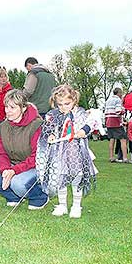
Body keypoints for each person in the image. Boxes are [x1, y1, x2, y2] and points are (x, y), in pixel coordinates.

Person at [36, 84, 96, 218]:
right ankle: (62, 205)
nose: (63, 107)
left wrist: (83, 131)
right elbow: (47, 128)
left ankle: (76, 205)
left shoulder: (80, 113)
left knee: (76, 178)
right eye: (60, 104)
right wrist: (50, 135)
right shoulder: (52, 115)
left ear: (74, 100)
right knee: (60, 177)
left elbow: (91, 123)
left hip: (76, 152)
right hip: (59, 152)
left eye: (67, 103)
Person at [0, 89, 48, 209]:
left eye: (12, 107)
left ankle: (40, 197)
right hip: (14, 165)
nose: (8, 111)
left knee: (18, 183)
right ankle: (14, 197)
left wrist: (14, 171)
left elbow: (37, 156)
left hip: (35, 167)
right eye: (6, 107)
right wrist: (5, 170)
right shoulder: (3, 127)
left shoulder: (37, 125)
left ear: (23, 108)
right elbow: (0, 153)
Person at [105, 88, 128, 163]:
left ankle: (111, 157)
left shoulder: (108, 100)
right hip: (116, 122)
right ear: (119, 93)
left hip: (108, 122)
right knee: (123, 139)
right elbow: (118, 111)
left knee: (112, 139)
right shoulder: (118, 100)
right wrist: (123, 110)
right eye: (121, 93)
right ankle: (125, 158)